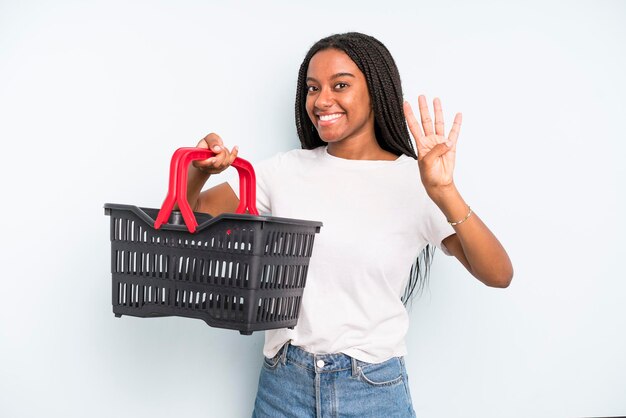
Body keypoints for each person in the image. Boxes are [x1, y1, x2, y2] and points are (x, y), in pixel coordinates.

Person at [183, 32, 513, 418]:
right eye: (312, 88)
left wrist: (444, 190)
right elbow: (188, 219)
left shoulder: (417, 181)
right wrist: (197, 170)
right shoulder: (283, 172)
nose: (321, 101)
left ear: (376, 91)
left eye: (340, 85)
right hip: (284, 387)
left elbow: (498, 274)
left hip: (372, 391)